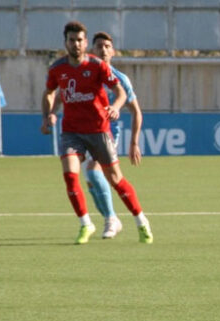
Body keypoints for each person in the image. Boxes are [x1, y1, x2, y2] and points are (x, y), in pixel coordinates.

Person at [40, 21, 153, 245]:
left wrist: (115, 107)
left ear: (85, 42)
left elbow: (119, 92)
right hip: (71, 131)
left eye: (80, 40)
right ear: (66, 43)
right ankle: (87, 223)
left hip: (99, 130)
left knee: (115, 179)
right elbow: (51, 92)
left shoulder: (98, 67)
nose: (76, 44)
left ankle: (141, 221)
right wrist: (48, 115)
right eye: (72, 40)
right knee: (72, 176)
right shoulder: (57, 69)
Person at [78, 31, 147, 241]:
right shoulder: (83, 74)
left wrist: (134, 142)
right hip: (83, 133)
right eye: (99, 46)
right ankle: (113, 219)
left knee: (92, 171)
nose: (103, 49)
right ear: (92, 50)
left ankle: (111, 219)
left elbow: (136, 111)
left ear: (113, 51)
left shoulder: (120, 79)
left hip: (107, 134)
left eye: (108, 46)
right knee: (92, 181)